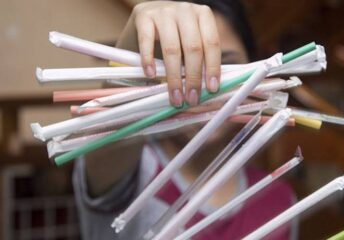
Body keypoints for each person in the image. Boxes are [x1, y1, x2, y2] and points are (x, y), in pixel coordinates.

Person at [73, 1, 296, 239]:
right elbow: (107, 148)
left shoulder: (279, 199)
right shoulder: (131, 168)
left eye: (227, 65)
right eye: (183, 65)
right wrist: (138, 41)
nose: (205, 85)